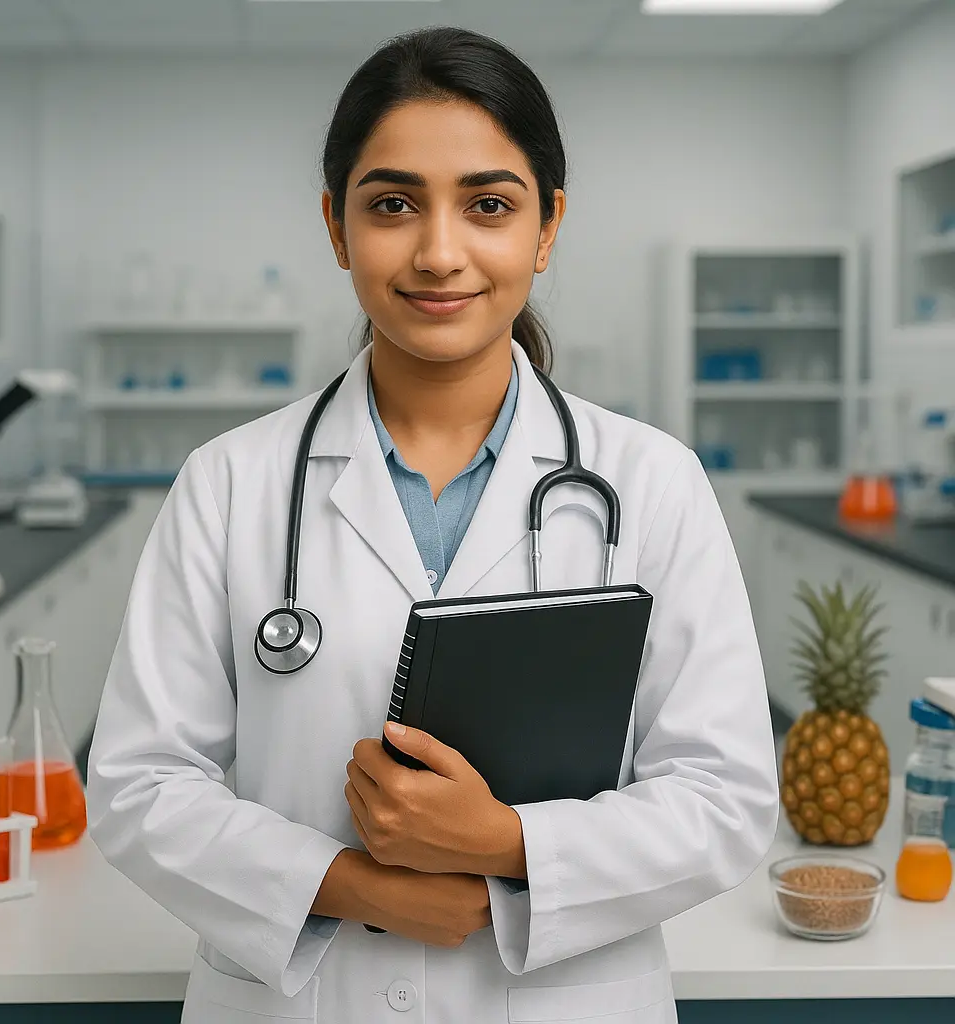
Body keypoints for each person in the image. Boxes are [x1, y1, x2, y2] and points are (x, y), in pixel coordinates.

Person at [86, 26, 779, 1024]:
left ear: (546, 228)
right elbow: (140, 784)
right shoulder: (230, 484)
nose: (438, 251)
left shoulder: (651, 483)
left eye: (489, 205)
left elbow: (722, 797)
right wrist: (349, 884)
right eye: (393, 204)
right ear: (336, 226)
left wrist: (501, 844)